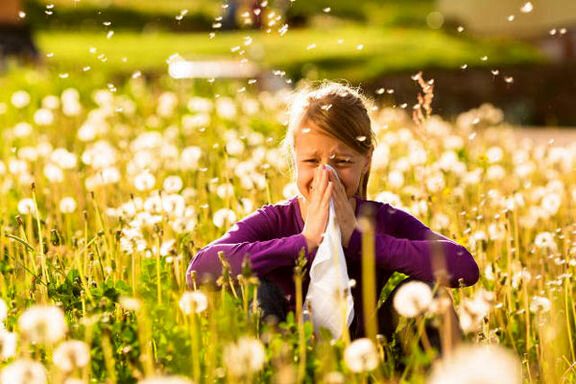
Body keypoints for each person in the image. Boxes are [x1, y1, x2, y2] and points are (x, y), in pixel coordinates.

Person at [186, 81, 479, 341]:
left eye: (341, 162)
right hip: (285, 347)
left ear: (366, 161)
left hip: (367, 347)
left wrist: (360, 240)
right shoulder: (276, 219)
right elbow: (199, 271)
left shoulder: (380, 219)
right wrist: (304, 242)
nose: (326, 175)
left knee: (432, 294)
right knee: (257, 287)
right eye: (312, 161)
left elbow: (464, 267)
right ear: (295, 159)